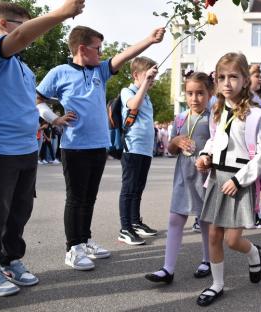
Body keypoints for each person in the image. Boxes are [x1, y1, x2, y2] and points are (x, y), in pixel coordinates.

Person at [36, 25, 165, 271]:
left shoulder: (100, 71)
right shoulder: (59, 73)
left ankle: (84, 240)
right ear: (82, 49)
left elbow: (125, 54)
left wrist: (149, 39)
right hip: (74, 147)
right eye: (97, 48)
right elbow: (38, 99)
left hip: (98, 146)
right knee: (75, 198)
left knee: (89, 198)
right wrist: (54, 119)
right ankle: (73, 248)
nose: (101, 53)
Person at [0, 0, 85, 297]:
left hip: (26, 150)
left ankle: (10, 259)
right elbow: (19, 38)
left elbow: (32, 104)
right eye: (25, 26)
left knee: (19, 211)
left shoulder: (23, 68)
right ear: (4, 25)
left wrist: (50, 121)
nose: (32, 36)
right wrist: (61, 13)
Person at [195, 53, 261, 306]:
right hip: (217, 177)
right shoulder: (218, 109)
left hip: (239, 180)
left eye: (233, 77)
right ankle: (217, 284)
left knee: (233, 239)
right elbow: (214, 139)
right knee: (214, 235)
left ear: (246, 80)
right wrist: (205, 155)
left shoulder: (255, 115)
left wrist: (239, 180)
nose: (227, 83)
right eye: (222, 77)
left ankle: (254, 252)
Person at [145, 72, 213, 284]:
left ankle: (208, 260)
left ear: (210, 93)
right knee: (175, 218)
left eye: (200, 93)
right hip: (183, 175)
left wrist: (208, 158)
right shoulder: (181, 117)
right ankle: (168, 269)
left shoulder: (214, 118)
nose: (194, 98)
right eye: (190, 93)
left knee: (204, 220)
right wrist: (175, 140)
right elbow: (171, 150)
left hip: (205, 176)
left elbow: (221, 146)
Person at [117, 57, 160, 246]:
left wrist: (146, 83)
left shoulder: (148, 96)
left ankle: (135, 221)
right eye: (149, 76)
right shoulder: (128, 91)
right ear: (136, 75)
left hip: (144, 149)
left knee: (138, 187)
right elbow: (133, 105)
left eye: (154, 76)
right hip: (132, 146)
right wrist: (144, 84)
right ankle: (125, 228)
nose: (152, 80)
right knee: (129, 188)